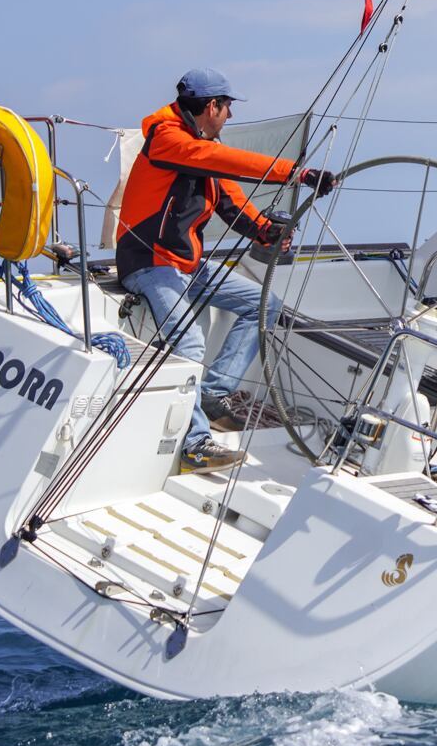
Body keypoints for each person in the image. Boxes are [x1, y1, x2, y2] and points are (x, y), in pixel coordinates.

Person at [115, 68, 335, 473]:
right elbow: (222, 161)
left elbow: (232, 202)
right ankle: (195, 444)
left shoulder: (202, 146)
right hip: (149, 262)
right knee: (190, 346)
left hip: (185, 263)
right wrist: (297, 173)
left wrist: (267, 232)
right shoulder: (167, 140)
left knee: (266, 304)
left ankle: (212, 395)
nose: (230, 116)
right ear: (211, 106)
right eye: (228, 107)